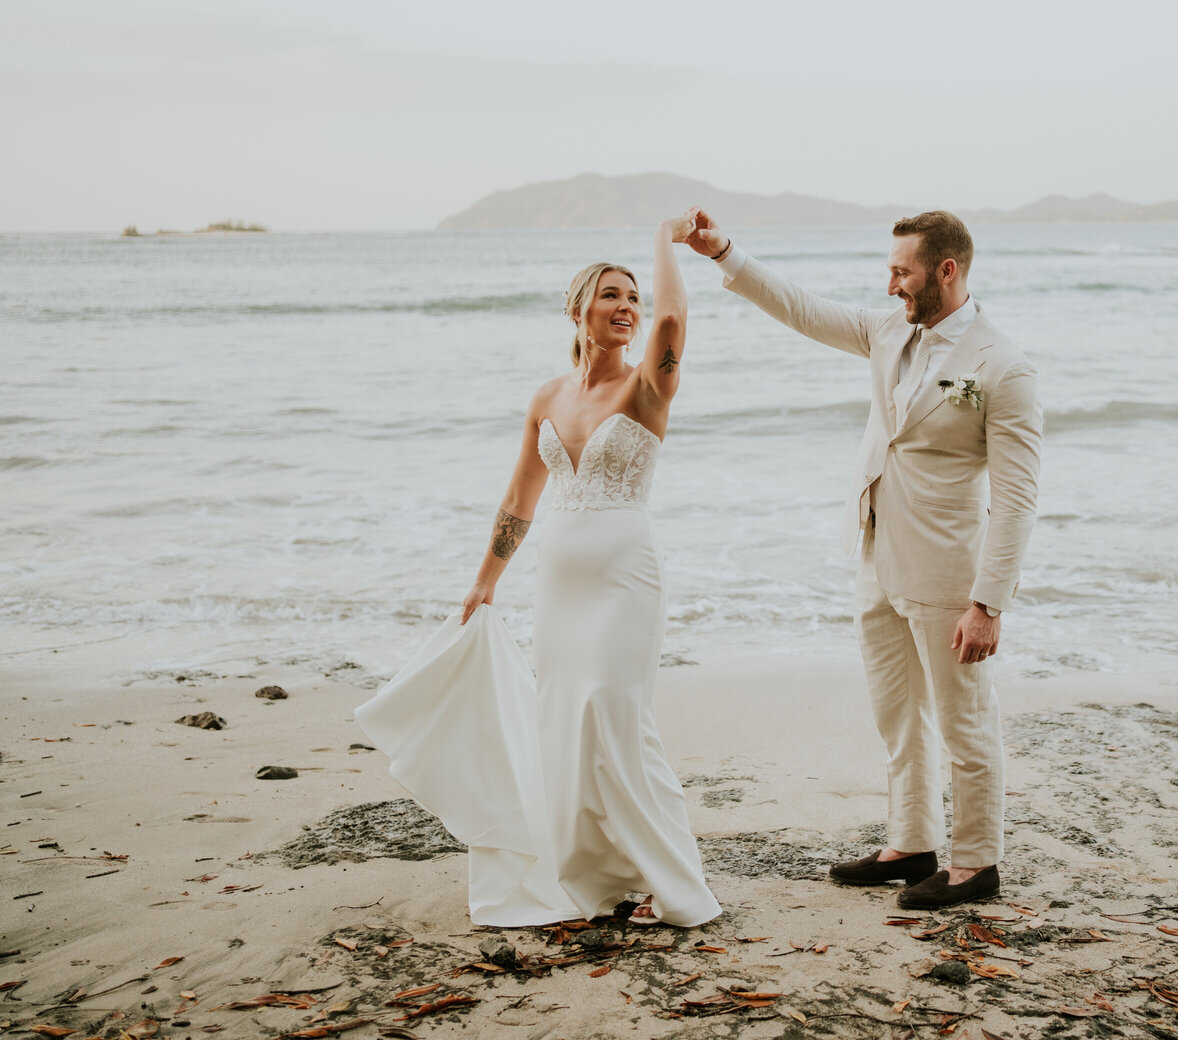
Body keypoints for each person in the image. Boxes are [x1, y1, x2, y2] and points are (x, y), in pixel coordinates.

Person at [355, 210, 720, 929]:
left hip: (624, 576)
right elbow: (520, 497)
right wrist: (486, 578)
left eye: (634, 298)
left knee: (617, 720)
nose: (628, 308)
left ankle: (671, 884)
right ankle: (599, 878)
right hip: (560, 581)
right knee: (565, 727)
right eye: (612, 295)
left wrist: (662, 243)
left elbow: (675, 317)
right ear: (578, 308)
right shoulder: (547, 399)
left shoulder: (648, 385)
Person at [688, 209, 1042, 909]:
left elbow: (1018, 498)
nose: (890, 286)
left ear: (947, 271)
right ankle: (911, 841)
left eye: (901, 272)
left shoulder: (1002, 366)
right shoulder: (888, 332)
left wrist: (988, 601)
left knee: (963, 718)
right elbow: (802, 309)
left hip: (948, 573)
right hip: (875, 552)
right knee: (896, 714)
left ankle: (977, 863)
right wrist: (724, 252)